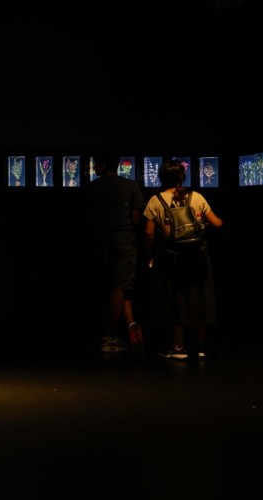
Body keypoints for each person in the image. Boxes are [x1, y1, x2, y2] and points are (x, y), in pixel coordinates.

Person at [143, 159, 223, 360]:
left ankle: (179, 347)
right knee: (200, 299)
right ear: (182, 176)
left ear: (162, 177)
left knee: (174, 301)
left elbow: (149, 234)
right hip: (197, 256)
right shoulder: (196, 197)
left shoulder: (155, 201)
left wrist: (150, 256)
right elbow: (217, 223)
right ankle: (201, 346)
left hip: (171, 258)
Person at [84, 153, 146, 353]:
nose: (94, 168)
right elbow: (136, 218)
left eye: (96, 164)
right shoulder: (130, 186)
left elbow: (88, 216)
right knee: (121, 286)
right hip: (124, 241)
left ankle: (119, 328)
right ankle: (109, 334)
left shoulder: (92, 187)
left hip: (100, 241)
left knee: (108, 286)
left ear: (103, 165)